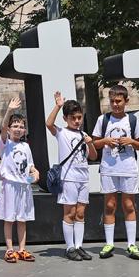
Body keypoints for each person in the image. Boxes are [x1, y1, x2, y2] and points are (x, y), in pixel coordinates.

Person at [90, 85, 139, 260]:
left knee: (129, 205)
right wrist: (105, 140)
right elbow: (94, 144)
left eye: (119, 101)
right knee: (110, 205)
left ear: (126, 101)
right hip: (109, 167)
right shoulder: (103, 119)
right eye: (112, 101)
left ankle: (131, 244)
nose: (115, 104)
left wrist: (130, 141)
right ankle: (109, 243)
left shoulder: (132, 120)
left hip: (128, 167)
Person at [46, 92, 97, 261]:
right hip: (68, 178)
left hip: (83, 178)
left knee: (80, 213)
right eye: (73, 118)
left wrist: (90, 143)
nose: (77, 121)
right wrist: (58, 105)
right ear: (66, 118)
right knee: (69, 212)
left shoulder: (83, 135)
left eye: (79, 117)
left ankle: (78, 245)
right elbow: (49, 123)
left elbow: (93, 157)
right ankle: (69, 247)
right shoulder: (62, 133)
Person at [0, 98, 38, 262]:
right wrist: (9, 110)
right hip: (10, 186)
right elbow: (3, 127)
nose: (18, 129)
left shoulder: (26, 146)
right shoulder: (5, 144)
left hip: (24, 187)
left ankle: (22, 249)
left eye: (21, 126)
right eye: (15, 126)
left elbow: (30, 165)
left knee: (22, 218)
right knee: (9, 218)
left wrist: (34, 172)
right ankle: (9, 249)